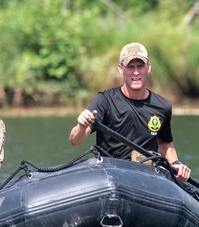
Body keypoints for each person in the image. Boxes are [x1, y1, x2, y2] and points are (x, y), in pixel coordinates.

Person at [69, 42, 192, 181]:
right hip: (110, 175)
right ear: (121, 68)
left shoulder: (163, 107)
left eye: (140, 66)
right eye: (130, 67)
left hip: (146, 177)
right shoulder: (104, 100)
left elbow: (164, 143)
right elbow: (75, 140)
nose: (136, 72)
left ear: (148, 67)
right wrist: (81, 126)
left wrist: (176, 163)